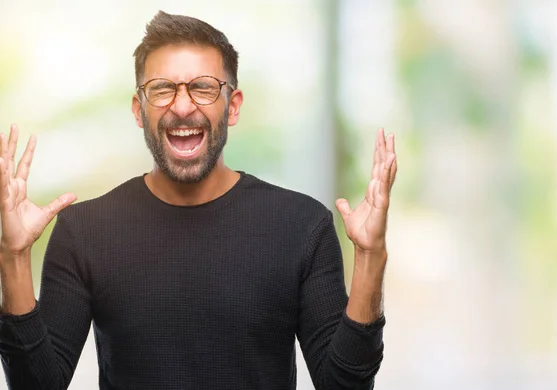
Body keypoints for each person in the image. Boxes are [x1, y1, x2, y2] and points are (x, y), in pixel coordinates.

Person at [0, 10, 397, 390]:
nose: (183, 105)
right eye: (162, 89)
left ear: (233, 106)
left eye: (203, 87)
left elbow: (344, 384)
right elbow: (39, 384)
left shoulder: (302, 224)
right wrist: (13, 257)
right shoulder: (84, 231)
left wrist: (370, 257)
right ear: (139, 110)